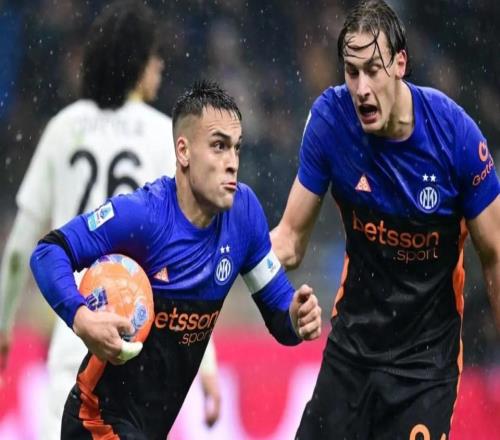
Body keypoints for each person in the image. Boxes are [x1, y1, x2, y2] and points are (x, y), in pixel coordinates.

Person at [29, 80, 322, 439]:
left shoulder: (244, 215)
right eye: (218, 146)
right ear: (183, 152)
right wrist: (82, 319)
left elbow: (280, 314)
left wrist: (296, 317)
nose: (232, 163)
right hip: (96, 421)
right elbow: (48, 252)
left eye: (236, 148)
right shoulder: (143, 216)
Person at [271, 1, 500, 439]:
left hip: (425, 369)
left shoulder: (455, 135)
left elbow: (495, 252)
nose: (360, 88)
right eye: (351, 72)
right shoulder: (331, 120)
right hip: (351, 354)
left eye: (372, 70)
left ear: (400, 64)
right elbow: (290, 240)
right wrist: (224, 258)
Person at [0, 1, 220, 437]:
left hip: (73, 337)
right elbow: (191, 264)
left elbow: (21, 249)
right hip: (133, 351)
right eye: (155, 55)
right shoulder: (164, 136)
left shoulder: (63, 128)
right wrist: (207, 365)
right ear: (139, 62)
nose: (160, 65)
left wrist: (3, 325)